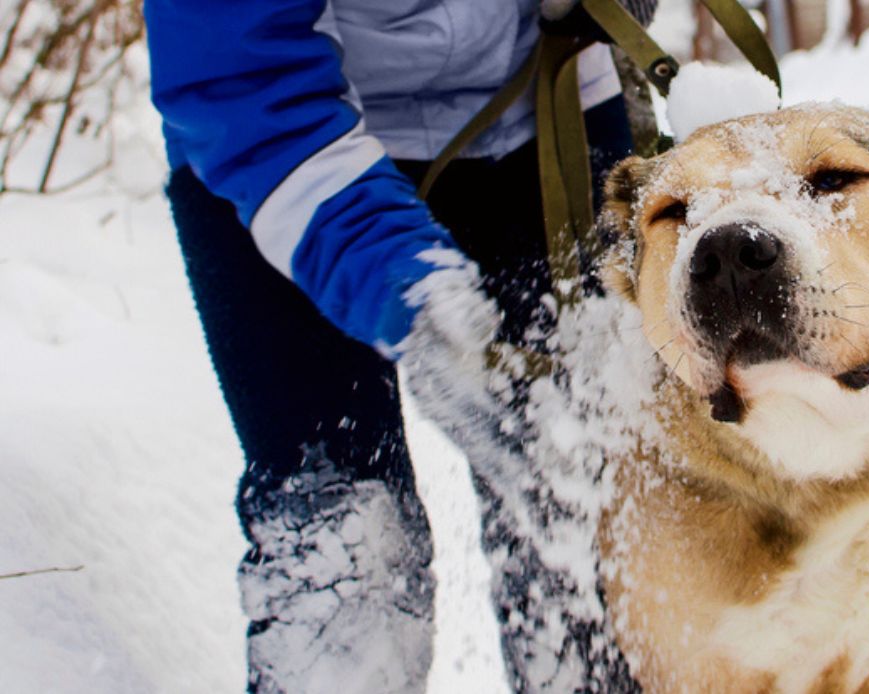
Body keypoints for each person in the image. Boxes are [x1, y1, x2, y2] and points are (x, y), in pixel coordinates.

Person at [144, 1, 654, 691]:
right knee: (348, 547)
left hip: (541, 94)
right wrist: (408, 291)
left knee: (602, 522)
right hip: (274, 137)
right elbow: (236, 68)